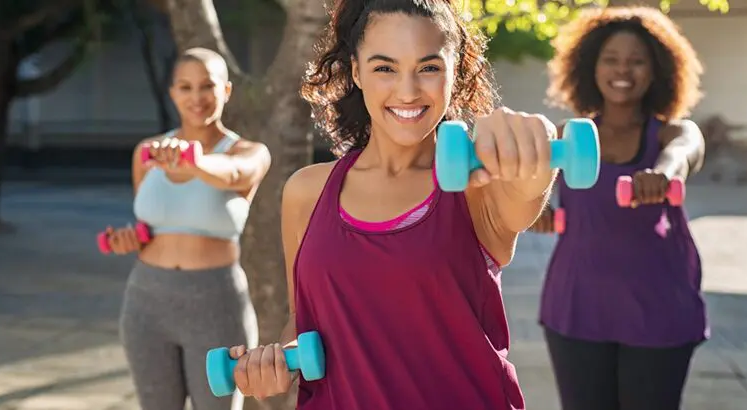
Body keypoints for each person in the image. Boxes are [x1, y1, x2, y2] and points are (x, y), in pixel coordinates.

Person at [221, 0, 582, 409]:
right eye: (384, 68)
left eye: (428, 67)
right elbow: (307, 320)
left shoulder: (478, 184)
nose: (407, 90)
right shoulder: (307, 191)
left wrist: (534, 155)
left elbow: (524, 196)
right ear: (356, 70)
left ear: (455, 70)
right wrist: (277, 364)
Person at [531, 6, 708, 410]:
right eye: (610, 59)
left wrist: (662, 173)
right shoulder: (567, 136)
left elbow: (685, 152)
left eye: (636, 61)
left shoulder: (672, 132)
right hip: (578, 306)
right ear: (590, 66)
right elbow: (526, 189)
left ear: (657, 70)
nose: (622, 70)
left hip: (660, 307)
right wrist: (532, 208)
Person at [105, 47, 271, 410]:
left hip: (216, 302)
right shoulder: (147, 153)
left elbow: (233, 175)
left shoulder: (248, 152)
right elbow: (150, 229)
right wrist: (130, 239)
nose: (197, 98)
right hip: (146, 301)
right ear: (172, 93)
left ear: (226, 90)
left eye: (207, 86)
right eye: (185, 87)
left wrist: (193, 162)